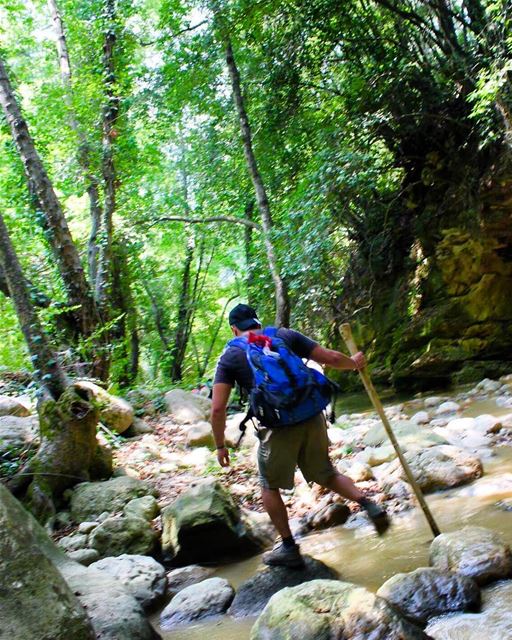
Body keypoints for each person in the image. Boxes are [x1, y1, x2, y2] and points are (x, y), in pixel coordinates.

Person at [211, 303, 390, 568]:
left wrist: (219, 446)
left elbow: (217, 408)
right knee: (326, 473)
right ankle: (368, 503)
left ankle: (288, 548)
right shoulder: (284, 335)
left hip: (278, 427)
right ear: (258, 322)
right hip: (312, 415)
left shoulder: (231, 356)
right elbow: (328, 357)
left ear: (233, 328)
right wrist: (354, 363)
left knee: (269, 485)